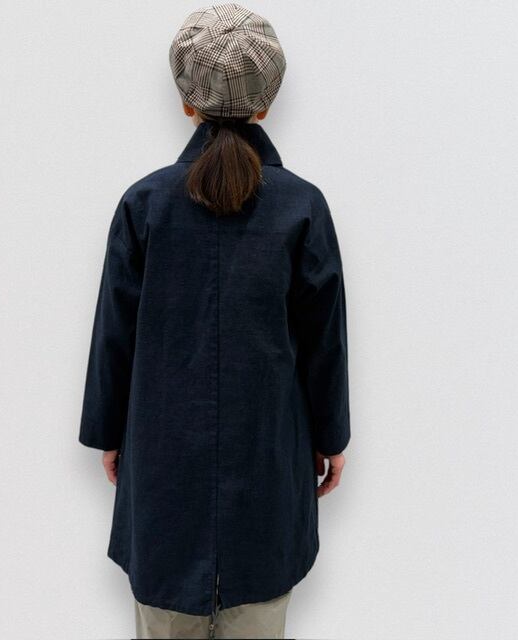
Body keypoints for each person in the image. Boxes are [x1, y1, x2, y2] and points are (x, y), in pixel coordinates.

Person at [78, 3, 350, 638]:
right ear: (266, 103)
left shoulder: (145, 203)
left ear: (186, 102)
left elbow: (114, 333)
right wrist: (331, 437)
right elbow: (324, 342)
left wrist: (110, 433)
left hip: (162, 466)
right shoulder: (302, 206)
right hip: (269, 460)